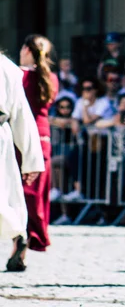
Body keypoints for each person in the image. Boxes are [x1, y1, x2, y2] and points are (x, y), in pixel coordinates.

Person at [0, 52, 45, 272]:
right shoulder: (7, 67)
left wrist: (32, 160)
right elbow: (22, 115)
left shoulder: (7, 68)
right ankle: (18, 234)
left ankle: (18, 233)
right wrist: (32, 159)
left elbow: (21, 114)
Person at [19, 34, 59, 256]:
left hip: (22, 132)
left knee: (19, 189)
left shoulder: (19, 75)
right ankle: (34, 234)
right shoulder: (51, 77)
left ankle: (20, 237)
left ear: (26, 50)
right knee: (37, 190)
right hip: (43, 135)